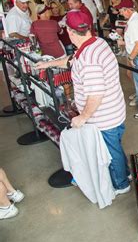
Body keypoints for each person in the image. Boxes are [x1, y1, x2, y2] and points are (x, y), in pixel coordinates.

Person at [35, 10, 130, 194]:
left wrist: (83, 117)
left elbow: (95, 94)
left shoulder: (89, 59)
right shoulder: (96, 43)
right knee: (115, 146)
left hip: (104, 116)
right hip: (114, 109)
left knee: (110, 151)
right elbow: (72, 60)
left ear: (70, 32)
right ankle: (125, 173)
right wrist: (49, 64)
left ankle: (121, 184)